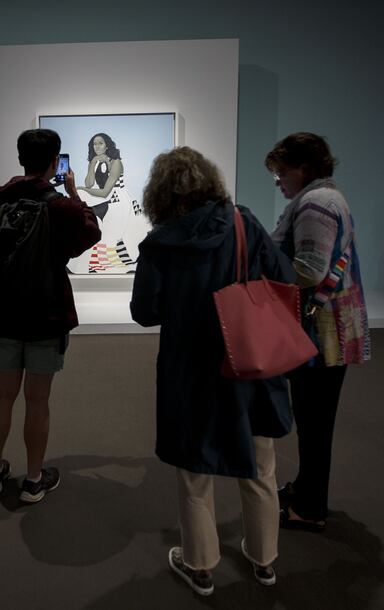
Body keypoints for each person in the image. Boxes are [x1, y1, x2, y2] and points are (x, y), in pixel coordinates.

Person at [130, 147, 295, 596]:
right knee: (260, 464)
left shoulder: (161, 243)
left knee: (193, 470)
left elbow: (144, 312)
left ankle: (199, 565)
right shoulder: (244, 223)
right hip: (248, 361)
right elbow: (283, 276)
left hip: (190, 367)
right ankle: (264, 561)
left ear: (160, 193)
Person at [0, 129, 101, 503]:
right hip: (45, 312)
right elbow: (90, 233)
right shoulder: (60, 206)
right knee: (37, 400)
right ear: (55, 161)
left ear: (20, 157)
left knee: (2, 394)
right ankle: (33, 480)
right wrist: (74, 192)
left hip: (4, 311)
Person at [265, 132, 371, 532]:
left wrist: (265, 269)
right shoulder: (326, 199)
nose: (278, 179)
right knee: (313, 417)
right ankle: (306, 489)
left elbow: (309, 269)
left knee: (314, 420)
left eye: (281, 171)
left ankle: (310, 508)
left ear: (303, 168)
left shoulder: (315, 203)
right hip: (329, 327)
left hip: (322, 332)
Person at [67, 132, 151, 274]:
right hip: (103, 197)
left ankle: (108, 256)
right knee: (80, 196)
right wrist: (92, 163)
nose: (97, 146)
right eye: (94, 143)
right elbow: (89, 183)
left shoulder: (116, 162)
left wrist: (81, 189)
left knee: (82, 195)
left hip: (117, 198)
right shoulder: (95, 161)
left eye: (100, 143)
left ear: (107, 146)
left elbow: (106, 192)